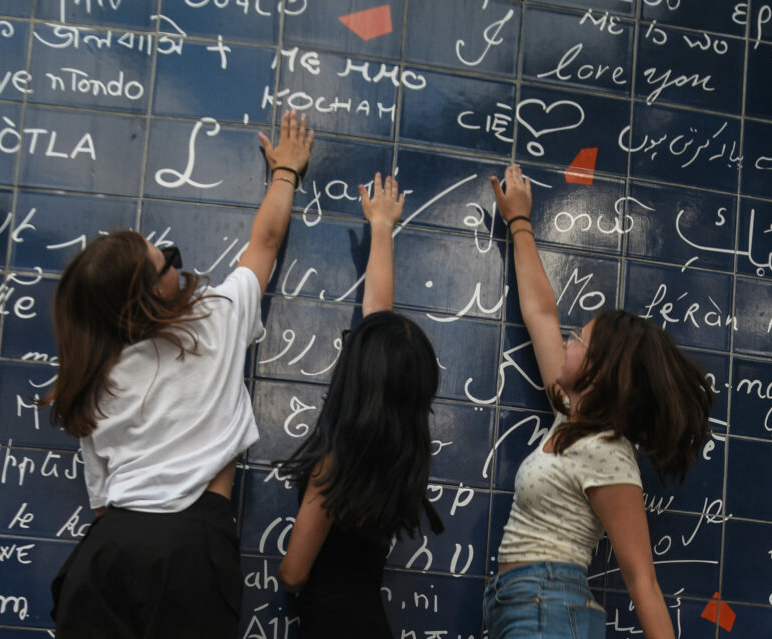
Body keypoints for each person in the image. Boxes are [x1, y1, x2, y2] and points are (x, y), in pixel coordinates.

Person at [44, 111, 314, 639]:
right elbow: (264, 244)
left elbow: (101, 504)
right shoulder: (214, 318)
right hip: (188, 549)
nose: (174, 260)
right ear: (155, 293)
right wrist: (286, 172)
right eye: (166, 260)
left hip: (108, 553)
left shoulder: (92, 376)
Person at [483, 165, 713, 639]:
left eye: (578, 341)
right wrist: (519, 222)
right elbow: (541, 315)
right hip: (522, 605)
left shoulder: (607, 451)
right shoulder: (570, 416)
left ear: (598, 371)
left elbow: (641, 581)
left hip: (548, 610)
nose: (566, 342)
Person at [274, 173, 445, 639]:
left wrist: (382, 225)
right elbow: (379, 320)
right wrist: (383, 229)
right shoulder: (401, 452)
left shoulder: (337, 459)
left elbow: (293, 573)